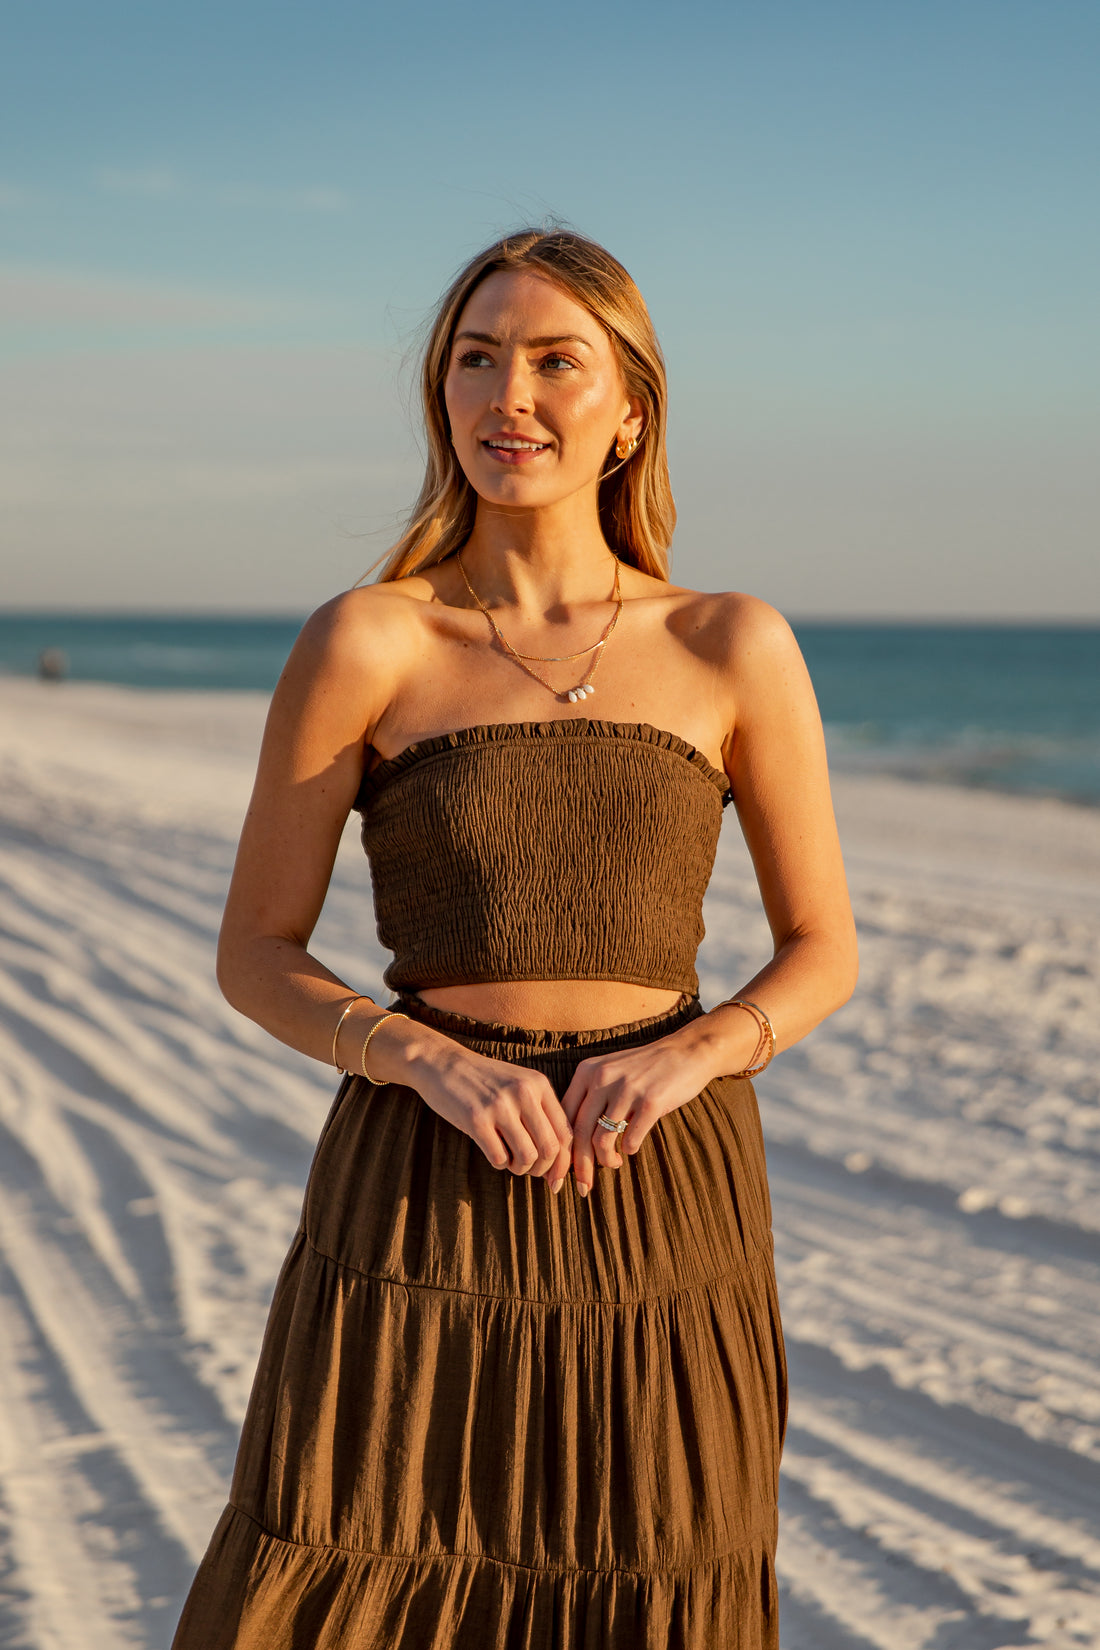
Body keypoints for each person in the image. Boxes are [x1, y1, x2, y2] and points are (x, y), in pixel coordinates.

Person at [171, 227, 858, 1650]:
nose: (510, 394)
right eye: (477, 358)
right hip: (420, 1185)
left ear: (632, 411)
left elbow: (820, 947)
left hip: (659, 1192)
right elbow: (258, 951)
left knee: (660, 1572)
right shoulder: (369, 639)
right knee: (356, 1568)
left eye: (557, 360)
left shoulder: (736, 642)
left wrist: (700, 1053)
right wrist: (421, 1059)